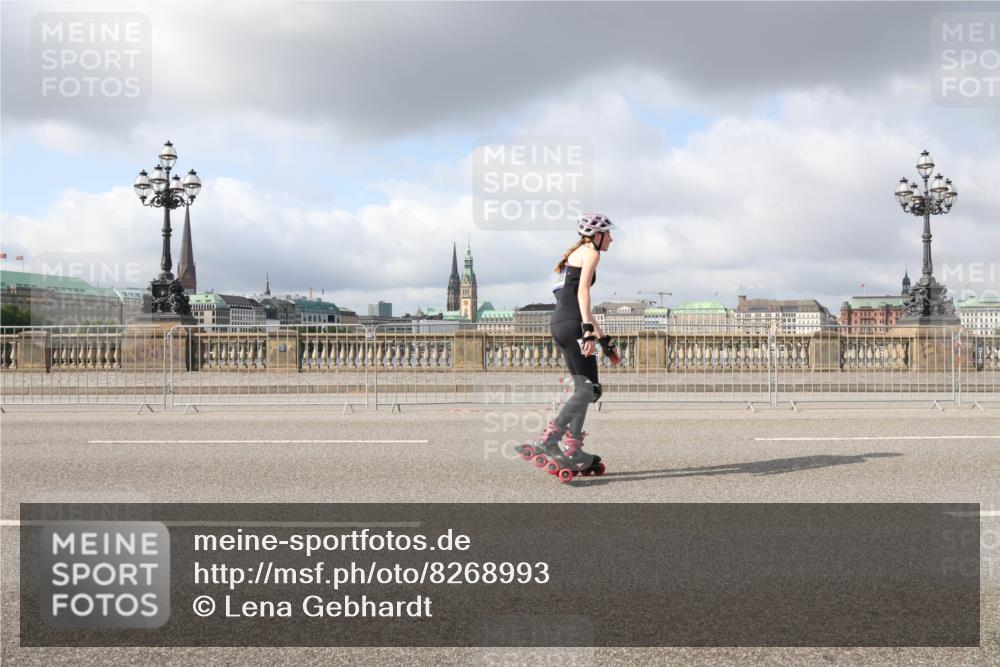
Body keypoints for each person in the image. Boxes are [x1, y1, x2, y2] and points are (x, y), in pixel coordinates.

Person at [517, 213, 619, 480]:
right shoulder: (591, 253)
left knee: (585, 389)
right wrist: (587, 333)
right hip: (574, 324)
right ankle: (551, 440)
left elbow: (573, 299)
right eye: (608, 234)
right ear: (596, 235)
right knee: (588, 388)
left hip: (561, 324)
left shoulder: (572, 259)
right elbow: (583, 293)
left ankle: (573, 449)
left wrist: (603, 340)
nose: (611, 238)